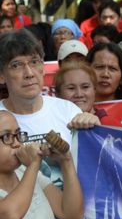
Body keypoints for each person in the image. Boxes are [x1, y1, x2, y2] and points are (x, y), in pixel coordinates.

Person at [0, 30, 100, 190]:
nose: (29, 73)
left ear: (43, 67)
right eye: (16, 65)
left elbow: (95, 166)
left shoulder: (68, 110)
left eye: (34, 62)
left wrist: (95, 129)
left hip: (72, 210)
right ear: (1, 76)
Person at [0, 111, 84, 219]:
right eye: (6, 136)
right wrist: (33, 165)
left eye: (18, 134)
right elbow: (9, 215)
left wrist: (66, 160)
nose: (17, 143)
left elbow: (72, 213)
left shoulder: (25, 172)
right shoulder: (30, 171)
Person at [53, 61, 122, 126]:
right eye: (71, 88)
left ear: (94, 90)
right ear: (57, 94)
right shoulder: (51, 123)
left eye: (85, 87)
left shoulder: (110, 125)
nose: (79, 94)